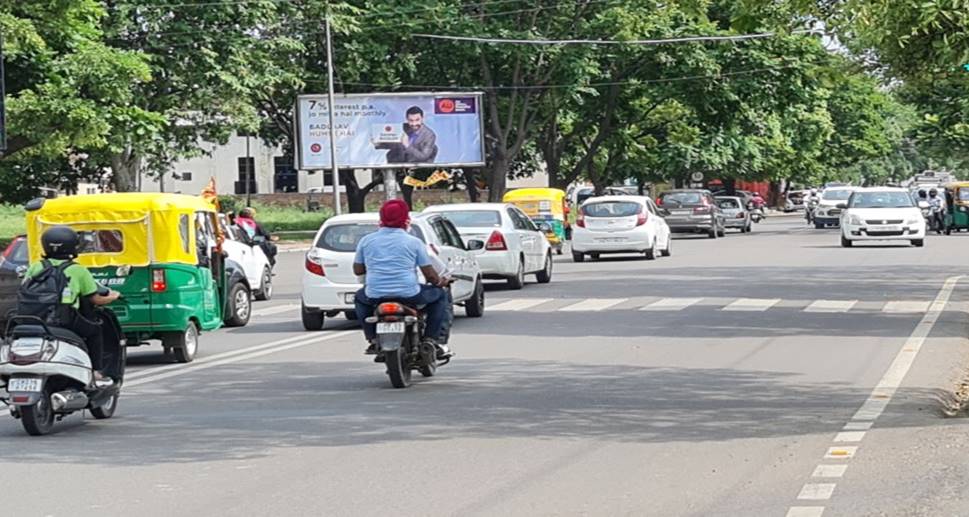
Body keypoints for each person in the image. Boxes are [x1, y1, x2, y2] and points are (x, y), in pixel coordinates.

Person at [353, 199, 453, 359]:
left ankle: (372, 338)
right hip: (410, 293)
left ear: (381, 219)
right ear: (406, 220)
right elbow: (430, 275)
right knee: (440, 296)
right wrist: (441, 282)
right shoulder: (414, 242)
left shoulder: (366, 241)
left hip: (374, 294)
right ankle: (433, 340)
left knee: (359, 298)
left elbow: (358, 270)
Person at [22, 226, 120, 383]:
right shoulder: (78, 270)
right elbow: (95, 299)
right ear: (73, 246)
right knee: (95, 331)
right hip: (64, 320)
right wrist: (114, 297)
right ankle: (95, 371)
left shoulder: (36, 266)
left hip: (32, 318)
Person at [374, 106, 438, 164]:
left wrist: (407, 145)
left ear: (422, 118)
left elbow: (423, 156)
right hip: (397, 162)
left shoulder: (429, 135)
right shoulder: (403, 127)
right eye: (411, 120)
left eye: (417, 120)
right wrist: (378, 143)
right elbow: (393, 143)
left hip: (415, 165)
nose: (414, 123)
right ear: (407, 119)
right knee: (387, 168)